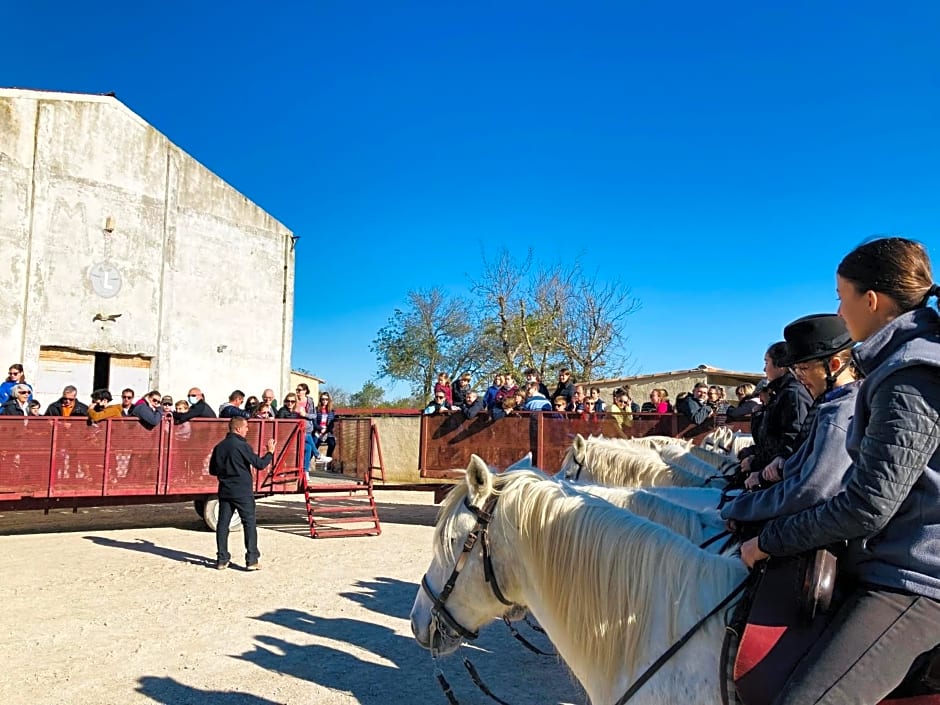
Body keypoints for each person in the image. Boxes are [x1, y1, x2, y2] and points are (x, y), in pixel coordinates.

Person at [741, 237, 940, 705]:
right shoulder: (900, 365)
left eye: (841, 295)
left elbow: (867, 506)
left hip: (917, 576)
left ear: (870, 301)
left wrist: (768, 540)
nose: (839, 308)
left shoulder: (911, 374)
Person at [723, 313, 859, 520]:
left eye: (803, 368)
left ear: (833, 365)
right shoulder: (826, 404)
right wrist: (783, 465)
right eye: (795, 369)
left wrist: (739, 510)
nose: (799, 377)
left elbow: (812, 489)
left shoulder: (840, 415)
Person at [209, 417, 276, 571]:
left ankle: (221, 559)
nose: (247, 430)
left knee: (223, 524)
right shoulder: (242, 445)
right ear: (238, 429)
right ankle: (252, 559)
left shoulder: (219, 447)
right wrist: (270, 453)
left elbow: (212, 470)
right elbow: (259, 464)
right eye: (246, 427)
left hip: (225, 490)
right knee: (249, 523)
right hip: (242, 491)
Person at [739, 342, 813, 476]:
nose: (764, 369)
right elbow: (768, 442)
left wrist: (755, 463)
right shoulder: (780, 394)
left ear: (781, 366)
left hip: (779, 480)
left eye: (766, 362)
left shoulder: (793, 394)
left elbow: (791, 446)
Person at [294, 383, 323, 471]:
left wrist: (305, 414)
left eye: (300, 390)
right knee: (307, 443)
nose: (298, 392)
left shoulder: (309, 401)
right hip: (296, 427)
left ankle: (305, 471)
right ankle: (317, 455)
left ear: (305, 391)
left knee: (308, 448)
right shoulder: (294, 400)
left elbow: (313, 415)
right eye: (297, 390)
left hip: (307, 427)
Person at [311, 391, 336, 461]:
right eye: (323, 399)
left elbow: (332, 423)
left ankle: (328, 458)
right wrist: (320, 429)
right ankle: (307, 464)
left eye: (326, 399)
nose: (324, 401)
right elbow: (314, 422)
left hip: (327, 432)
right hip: (318, 431)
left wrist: (327, 429)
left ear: (329, 400)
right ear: (320, 400)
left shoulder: (332, 411)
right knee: (314, 445)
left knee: (332, 443)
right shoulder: (316, 410)